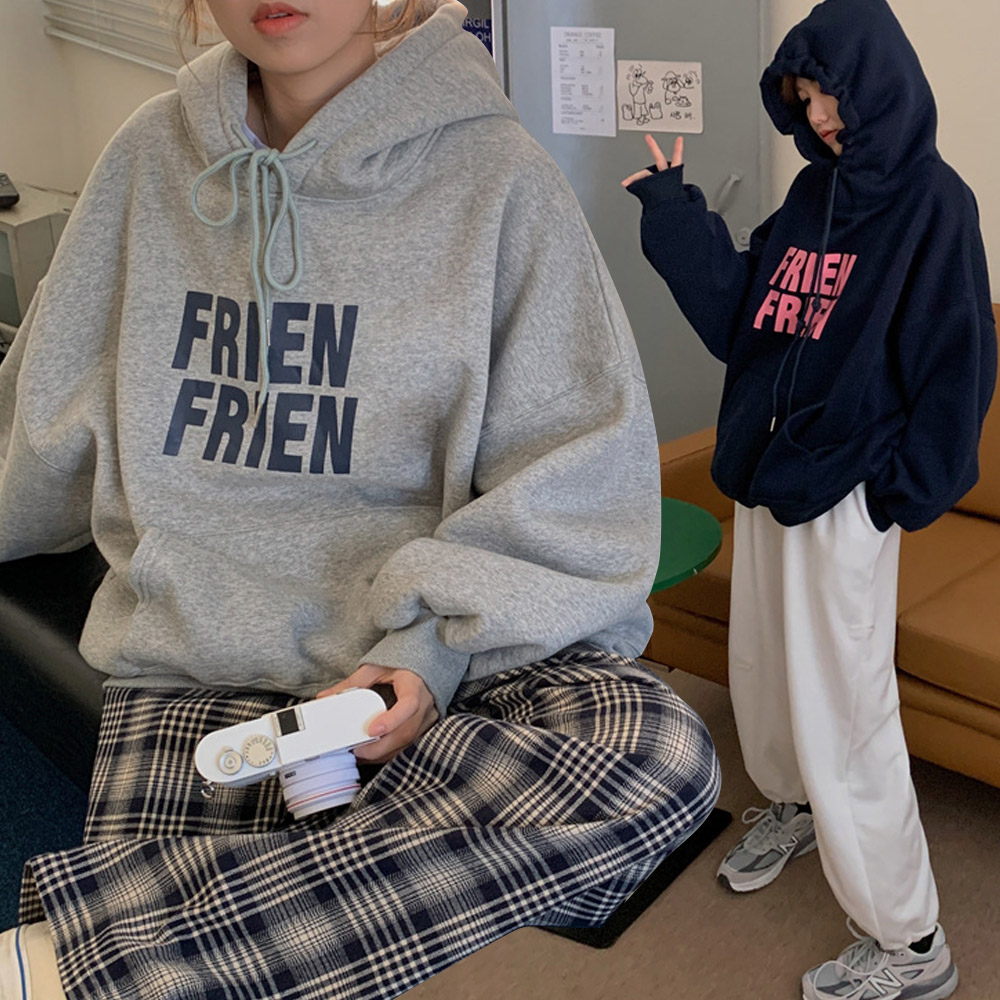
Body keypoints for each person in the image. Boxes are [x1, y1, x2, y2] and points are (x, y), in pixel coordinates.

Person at [0, 1, 722, 998]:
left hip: (432, 669)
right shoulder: (149, 158)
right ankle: (127, 959)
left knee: (656, 754)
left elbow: (577, 480)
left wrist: (425, 655)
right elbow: (41, 422)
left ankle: (69, 962)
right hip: (195, 669)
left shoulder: (499, 177)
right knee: (266, 959)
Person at [622, 0, 995, 998]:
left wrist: (897, 494)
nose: (820, 115)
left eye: (830, 92)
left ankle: (911, 943)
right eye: (803, 97)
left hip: (847, 492)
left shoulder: (934, 205)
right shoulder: (808, 195)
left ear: (879, 83)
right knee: (764, 671)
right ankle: (791, 806)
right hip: (767, 473)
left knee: (846, 713)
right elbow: (744, 321)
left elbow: (957, 363)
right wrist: (673, 212)